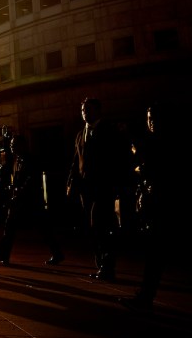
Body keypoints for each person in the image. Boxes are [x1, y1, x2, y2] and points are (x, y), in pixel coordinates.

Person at [121, 105, 176, 312]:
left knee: (157, 253)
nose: (151, 122)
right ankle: (145, 295)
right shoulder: (148, 142)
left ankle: (145, 296)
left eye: (154, 118)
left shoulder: (166, 143)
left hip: (166, 203)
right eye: (149, 118)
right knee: (155, 253)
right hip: (155, 203)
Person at [67, 97, 129, 281]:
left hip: (104, 187)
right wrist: (71, 182)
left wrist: (117, 183)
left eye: (88, 109)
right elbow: (75, 161)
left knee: (100, 224)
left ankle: (107, 265)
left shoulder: (109, 131)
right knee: (92, 227)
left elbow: (119, 157)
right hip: (86, 189)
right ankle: (101, 263)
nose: (85, 113)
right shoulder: (80, 134)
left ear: (98, 111)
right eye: (83, 110)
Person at [0, 135, 64, 266]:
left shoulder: (31, 160)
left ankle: (57, 253)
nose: (11, 146)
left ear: (22, 145)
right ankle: (3, 254)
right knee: (9, 227)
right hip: (19, 200)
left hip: (31, 200)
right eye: (11, 144)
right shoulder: (16, 161)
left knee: (44, 229)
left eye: (14, 144)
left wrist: (20, 192)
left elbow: (32, 181)